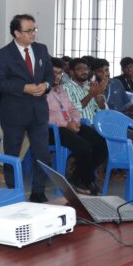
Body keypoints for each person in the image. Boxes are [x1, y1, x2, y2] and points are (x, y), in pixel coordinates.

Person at [0, 14, 54, 202]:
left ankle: (38, 192)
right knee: (12, 155)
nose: (33, 33)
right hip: (14, 112)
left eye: (34, 29)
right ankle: (13, 193)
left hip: (38, 112)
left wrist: (46, 85)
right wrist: (23, 88)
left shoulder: (41, 49)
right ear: (17, 33)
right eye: (28, 31)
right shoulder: (3, 54)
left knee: (43, 154)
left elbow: (50, 75)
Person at [47, 58, 106, 195]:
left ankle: (77, 177)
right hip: (53, 130)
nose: (57, 76)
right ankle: (86, 180)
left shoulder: (60, 90)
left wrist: (75, 121)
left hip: (70, 125)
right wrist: (66, 124)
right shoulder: (41, 91)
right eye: (54, 72)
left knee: (101, 143)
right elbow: (44, 116)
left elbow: (73, 108)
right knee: (84, 147)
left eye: (59, 73)